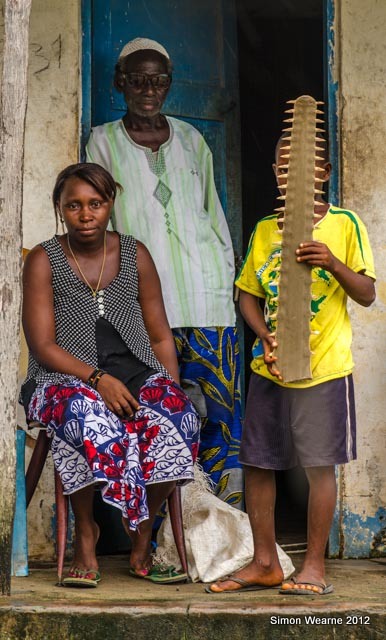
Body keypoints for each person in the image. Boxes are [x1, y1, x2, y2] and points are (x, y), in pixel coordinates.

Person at [207, 136, 376, 594]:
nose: (289, 175)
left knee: (318, 465)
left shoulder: (345, 224)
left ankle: (314, 566)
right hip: (271, 368)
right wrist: (263, 336)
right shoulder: (265, 229)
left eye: (300, 167)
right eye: (282, 168)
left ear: (322, 173)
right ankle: (265, 562)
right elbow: (247, 293)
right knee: (259, 463)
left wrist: (333, 263)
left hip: (324, 369)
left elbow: (366, 292)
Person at [21, 162, 200, 587]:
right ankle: (87, 532)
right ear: (60, 209)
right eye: (74, 206)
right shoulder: (44, 259)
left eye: (95, 204)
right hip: (60, 378)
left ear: (110, 204)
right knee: (88, 418)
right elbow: (42, 346)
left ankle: (141, 530)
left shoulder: (134, 253)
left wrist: (168, 387)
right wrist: (97, 379)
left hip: (135, 371)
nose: (86, 215)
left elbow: (158, 335)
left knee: (180, 417)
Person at [86, 37, 243, 506]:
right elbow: (100, 223)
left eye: (158, 80)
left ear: (169, 84)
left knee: (220, 416)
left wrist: (227, 278)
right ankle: (167, 536)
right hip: (144, 310)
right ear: (121, 84)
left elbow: (212, 214)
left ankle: (227, 525)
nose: (149, 89)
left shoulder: (192, 139)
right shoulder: (102, 141)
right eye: (138, 80)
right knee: (159, 419)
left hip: (207, 299)